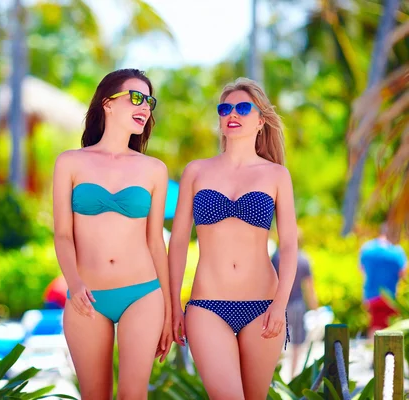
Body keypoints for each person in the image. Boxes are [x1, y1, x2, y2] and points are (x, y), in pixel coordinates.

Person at [168, 77, 297, 399]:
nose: (232, 114)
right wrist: (173, 305)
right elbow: (179, 242)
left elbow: (290, 244)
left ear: (260, 120)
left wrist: (280, 305)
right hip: (207, 306)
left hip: (264, 307)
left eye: (242, 107)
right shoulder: (196, 171)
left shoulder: (276, 175)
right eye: (224, 108)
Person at [52, 68, 172, 399]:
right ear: (107, 103)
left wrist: (171, 311)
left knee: (133, 395)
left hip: (143, 294)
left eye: (149, 101)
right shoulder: (70, 162)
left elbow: (155, 243)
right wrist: (74, 285)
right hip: (87, 297)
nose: (145, 107)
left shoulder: (154, 170)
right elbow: (62, 234)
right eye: (136, 97)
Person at [272, 227, 318, 378]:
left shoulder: (277, 256)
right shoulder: (304, 259)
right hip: (298, 304)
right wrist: (315, 308)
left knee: (276, 342)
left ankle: (275, 376)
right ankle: (293, 376)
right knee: (297, 344)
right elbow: (309, 287)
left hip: (279, 304)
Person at [360, 222, 407, 338]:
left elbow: (361, 269)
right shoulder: (397, 251)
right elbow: (403, 273)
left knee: (374, 327)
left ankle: (374, 354)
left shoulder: (367, 248)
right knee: (391, 330)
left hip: (371, 295)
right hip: (390, 297)